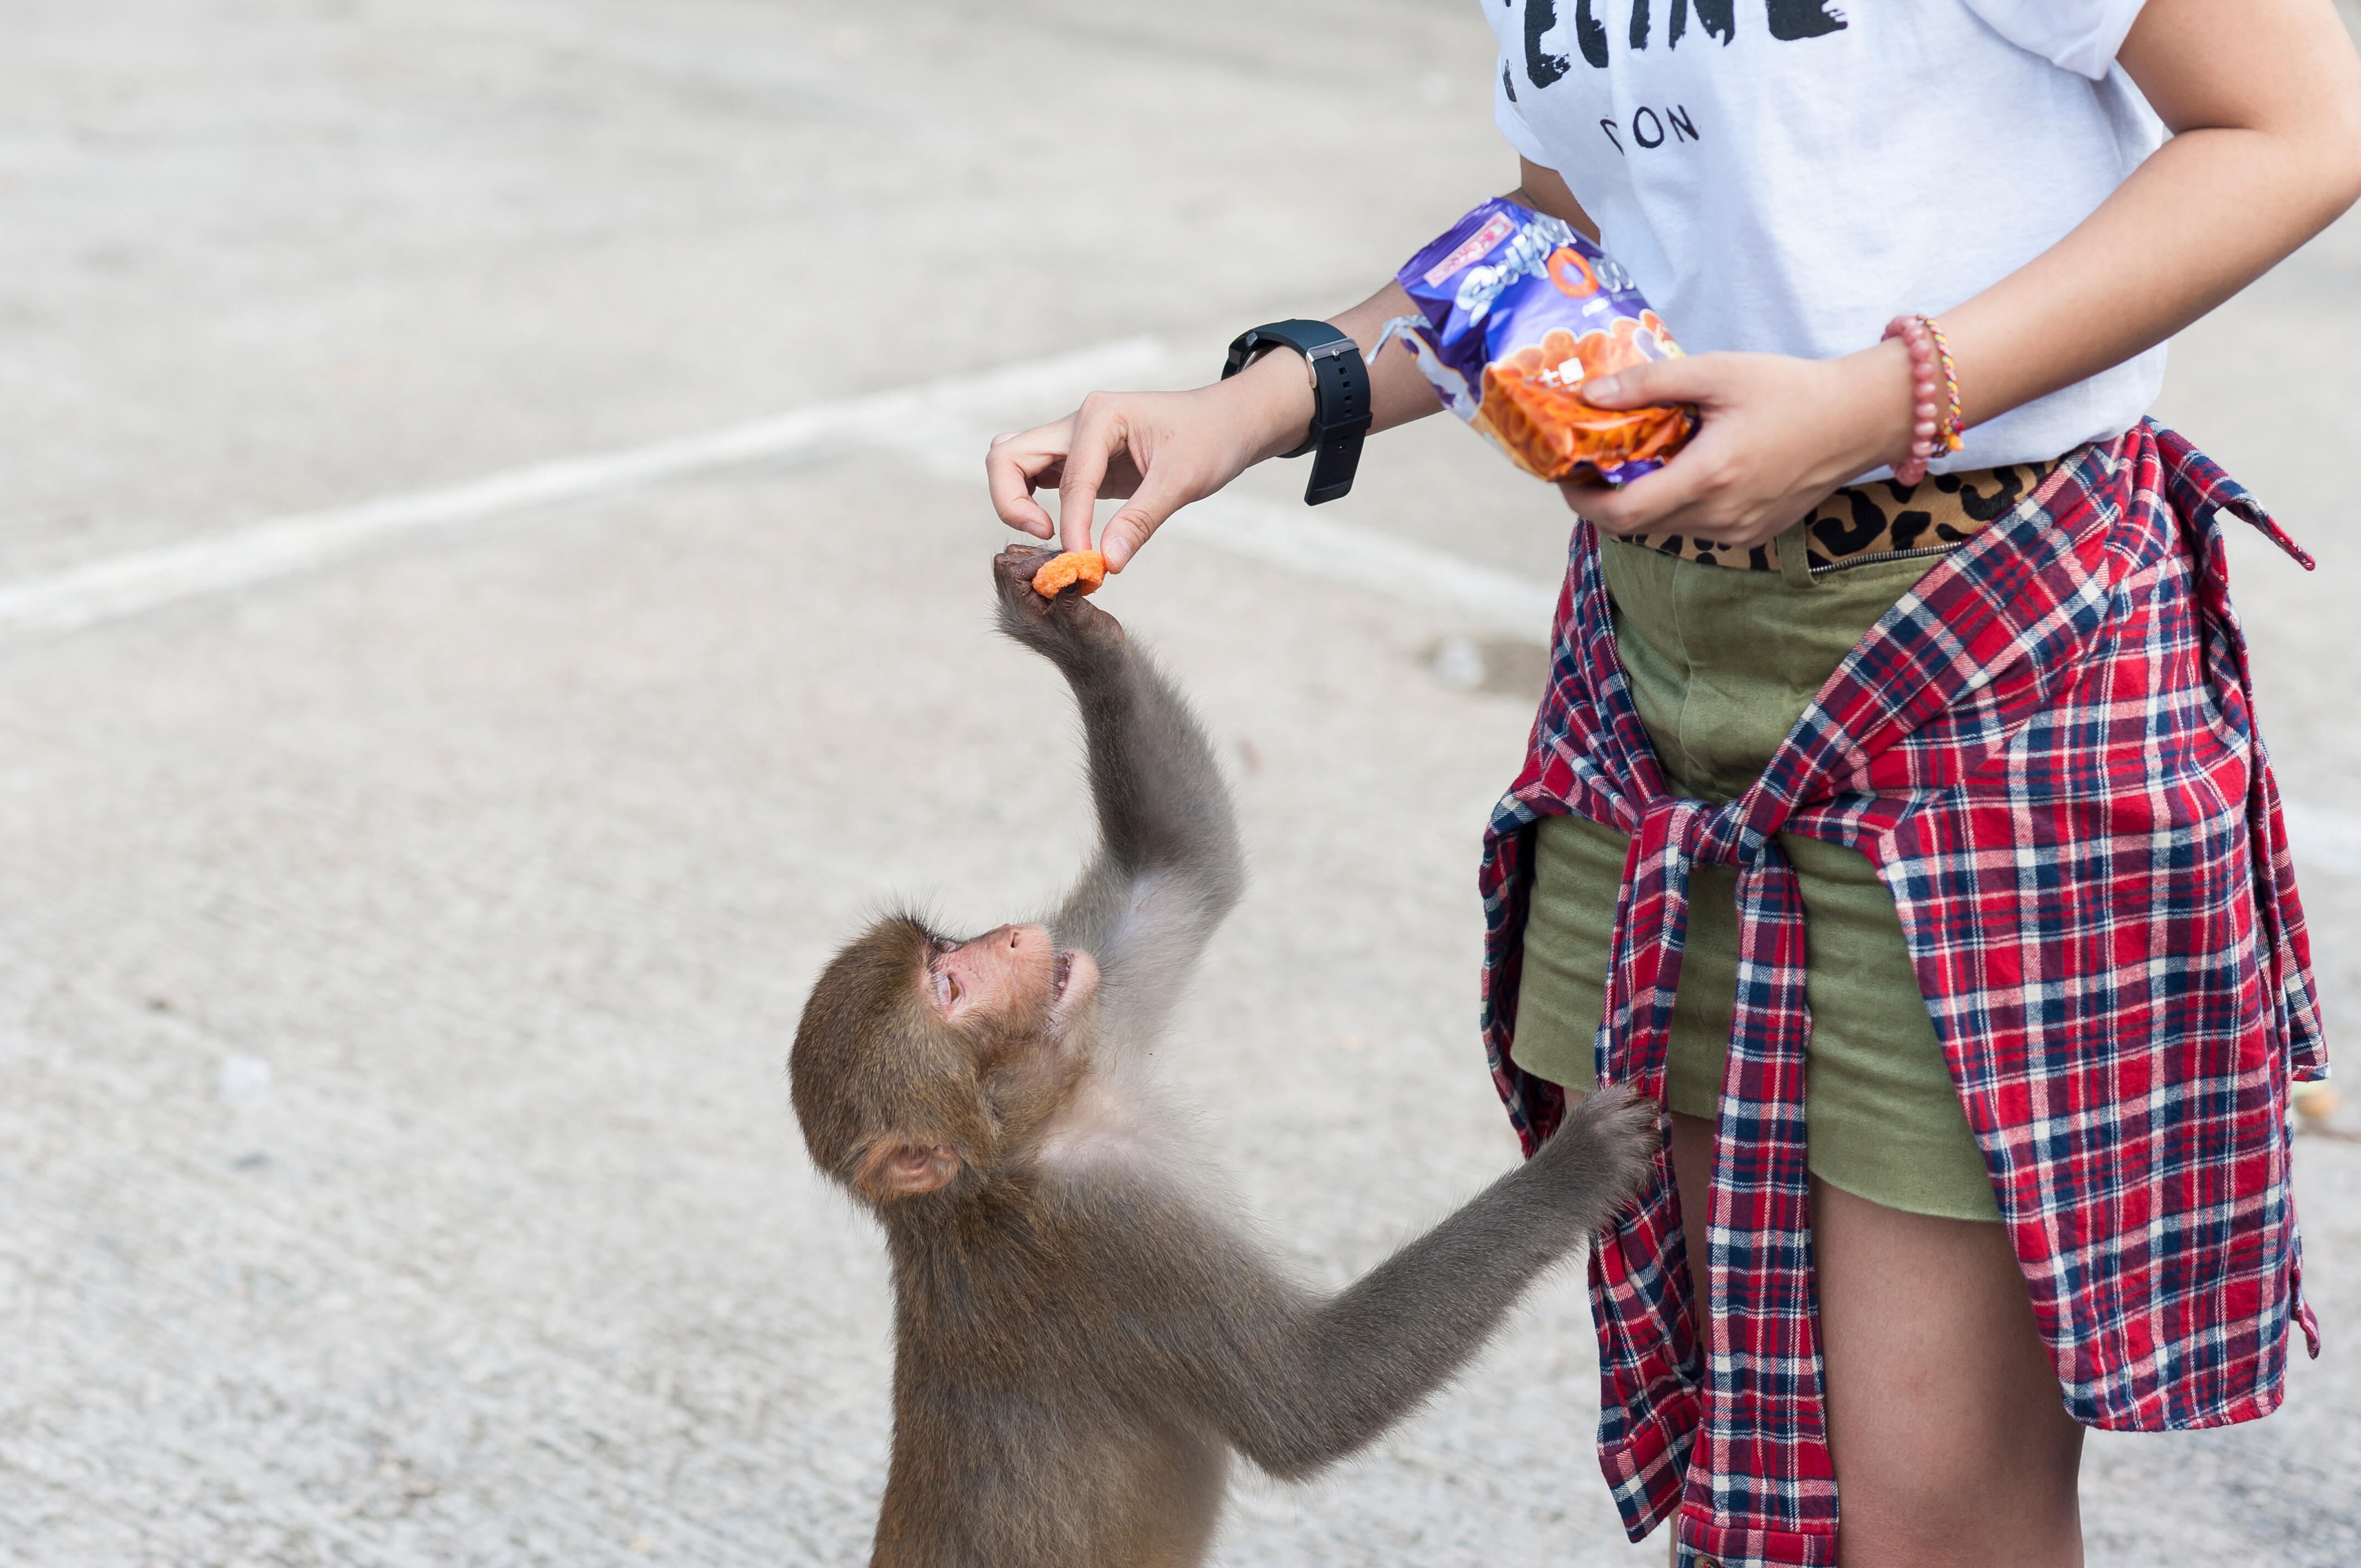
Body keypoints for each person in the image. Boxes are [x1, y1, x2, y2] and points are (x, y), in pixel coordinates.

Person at [985, 3, 2361, 1565]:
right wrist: (1260, 403)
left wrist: (1869, 404)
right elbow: (1574, 225)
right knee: (1774, 1449)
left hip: (1983, 659)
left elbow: (2300, 123)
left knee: (1930, 1511)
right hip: (1659, 679)